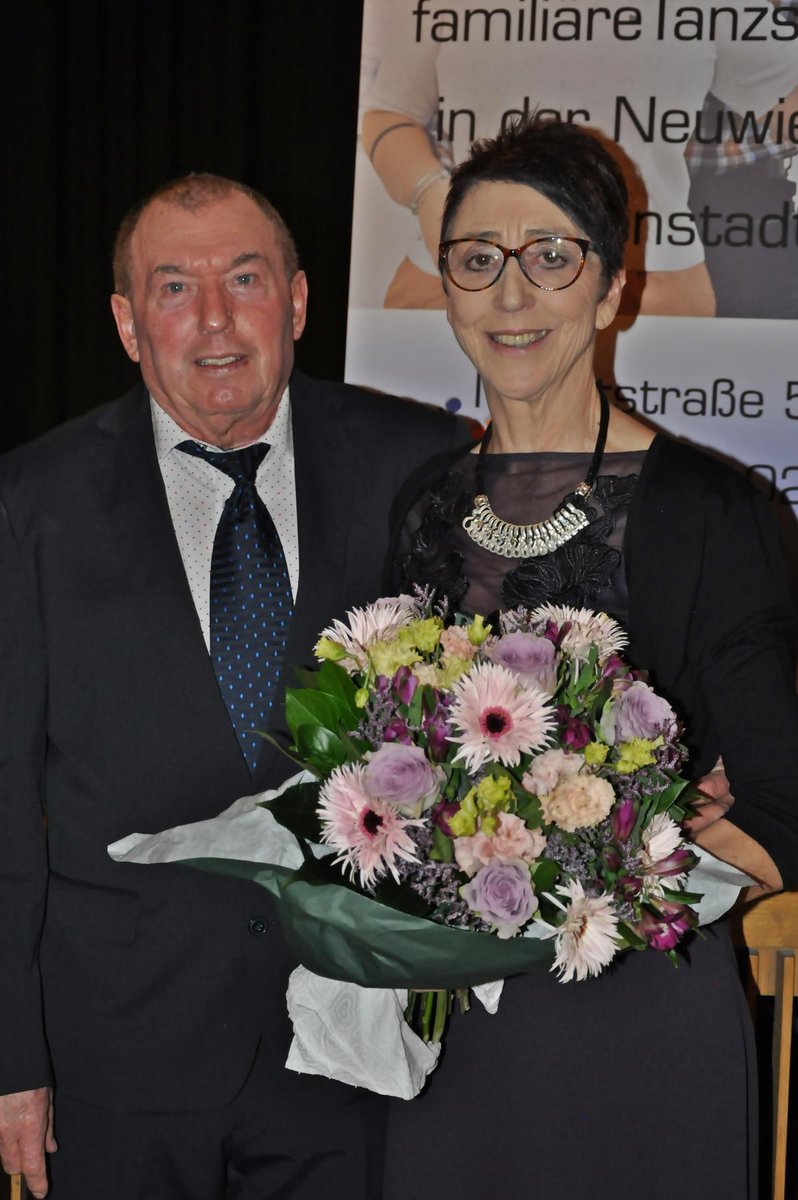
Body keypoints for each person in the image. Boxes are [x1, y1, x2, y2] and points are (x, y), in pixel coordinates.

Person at [0, 173, 466, 1199]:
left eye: (245, 279)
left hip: (353, 1048)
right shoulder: (30, 504)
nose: (214, 318)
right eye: (174, 288)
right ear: (128, 324)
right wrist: (11, 1058)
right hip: (115, 1059)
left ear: (295, 302)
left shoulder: (419, 464)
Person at [385, 116, 798, 1199]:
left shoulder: (710, 511)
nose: (511, 294)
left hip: (640, 1027)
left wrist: (604, 894)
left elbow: (784, 805)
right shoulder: (424, 507)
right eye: (478, 259)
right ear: (448, 289)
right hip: (455, 1031)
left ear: (613, 289)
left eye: (551, 257)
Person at [360, 0, 797, 316]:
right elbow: (390, 114)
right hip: (469, 274)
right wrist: (429, 195)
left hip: (647, 283)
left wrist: (705, 143)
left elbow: (788, 95)